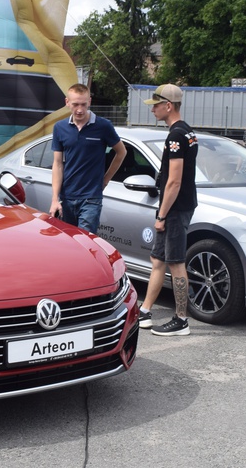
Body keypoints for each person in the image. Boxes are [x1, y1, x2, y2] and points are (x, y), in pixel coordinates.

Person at [138, 84, 197, 337]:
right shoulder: (187, 132)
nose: (153, 110)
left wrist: (161, 215)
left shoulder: (176, 136)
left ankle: (181, 320)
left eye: (156, 105)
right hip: (178, 206)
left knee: (175, 262)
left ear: (169, 106)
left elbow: (174, 181)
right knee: (158, 259)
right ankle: (145, 310)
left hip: (175, 208)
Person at [49, 83, 126, 233]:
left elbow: (121, 152)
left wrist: (105, 180)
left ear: (89, 101)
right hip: (67, 197)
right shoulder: (59, 128)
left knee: (85, 241)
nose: (80, 109)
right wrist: (54, 199)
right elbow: (57, 164)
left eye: (83, 104)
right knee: (68, 241)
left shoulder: (103, 126)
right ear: (67, 102)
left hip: (91, 198)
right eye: (75, 104)